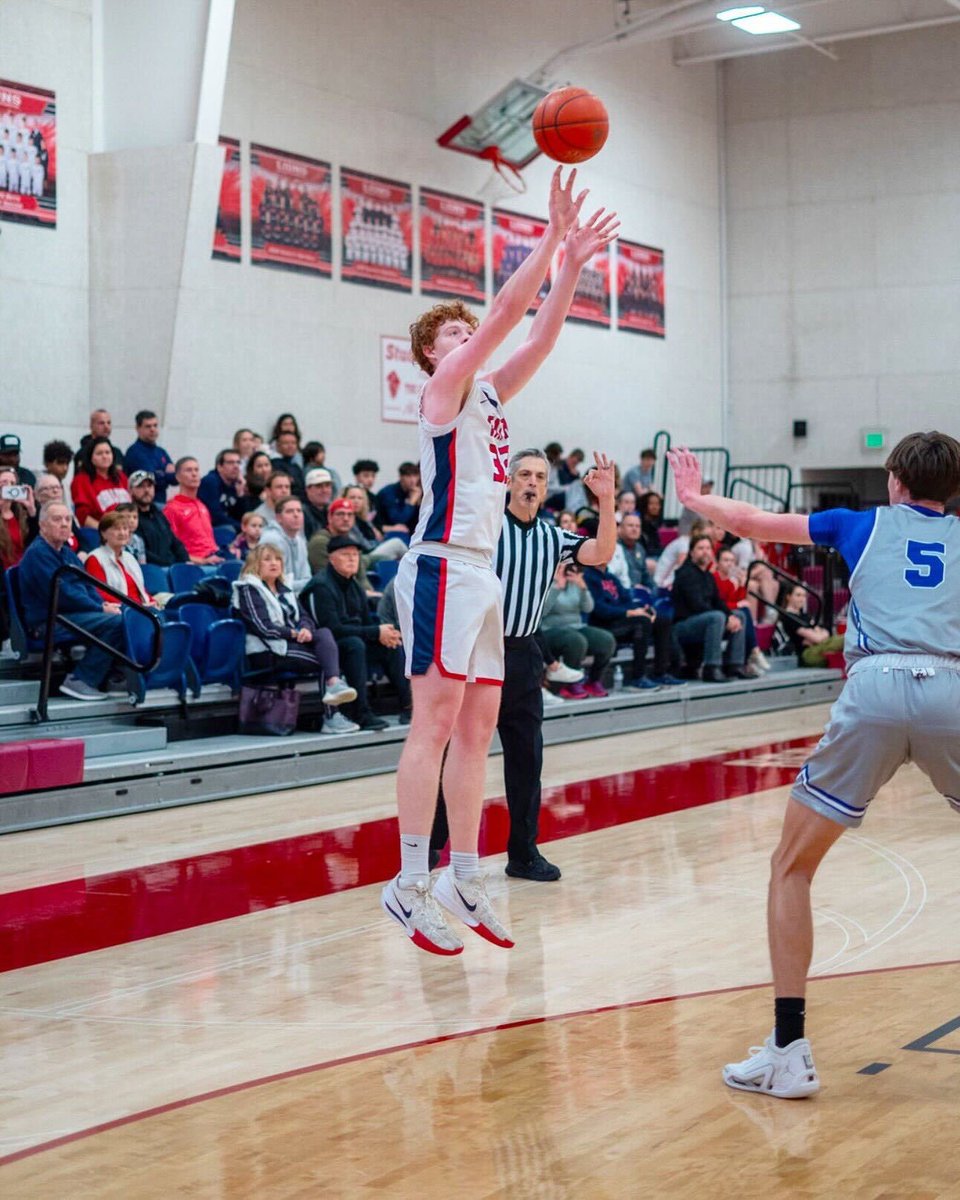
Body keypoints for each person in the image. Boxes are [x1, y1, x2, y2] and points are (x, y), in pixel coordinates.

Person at [669, 433, 960, 1100]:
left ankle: (789, 1051)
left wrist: (692, 497)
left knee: (791, 866)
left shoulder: (857, 524)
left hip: (877, 687)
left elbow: (750, 522)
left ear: (894, 481)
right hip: (951, 687)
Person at [384, 166, 619, 955]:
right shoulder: (444, 391)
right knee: (435, 722)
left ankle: (464, 869)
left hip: (481, 574)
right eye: (448, 333)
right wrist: (550, 234)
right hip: (442, 565)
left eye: (462, 330)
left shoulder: (489, 396)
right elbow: (504, 316)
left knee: (479, 728)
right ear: (430, 354)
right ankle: (409, 880)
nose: (463, 336)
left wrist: (576, 266)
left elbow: (539, 332)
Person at [431, 447, 616, 882]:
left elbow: (601, 551)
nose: (532, 483)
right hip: (477, 651)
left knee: (527, 758)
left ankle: (523, 852)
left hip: (524, 652)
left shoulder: (554, 537)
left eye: (540, 477)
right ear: (510, 482)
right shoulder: (485, 527)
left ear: (547, 488)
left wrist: (606, 502)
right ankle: (433, 845)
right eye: (526, 475)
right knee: (456, 752)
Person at [232, 544, 357, 730]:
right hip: (267, 650)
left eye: (277, 559)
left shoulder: (285, 589)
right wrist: (293, 633)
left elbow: (305, 616)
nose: (273, 563)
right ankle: (332, 716)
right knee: (328, 663)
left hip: (290, 646)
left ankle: (334, 690)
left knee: (323, 635)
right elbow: (263, 627)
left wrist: (306, 629)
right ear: (255, 564)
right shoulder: (249, 589)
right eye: (267, 559)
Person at [18, 501, 128, 701]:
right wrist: (99, 608)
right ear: (42, 525)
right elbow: (62, 594)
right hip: (48, 621)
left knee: (127, 615)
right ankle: (82, 680)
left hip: (69, 615)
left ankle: (115, 676)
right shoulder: (37, 553)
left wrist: (102, 605)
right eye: (57, 519)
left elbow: (88, 585)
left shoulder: (66, 552)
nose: (64, 524)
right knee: (118, 623)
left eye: (68, 519)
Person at [301, 536, 410, 732]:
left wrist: (382, 635)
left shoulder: (355, 586)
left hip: (352, 641)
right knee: (355, 645)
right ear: (331, 559)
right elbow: (331, 629)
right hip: (326, 649)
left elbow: (367, 624)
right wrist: (375, 632)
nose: (352, 559)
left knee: (391, 643)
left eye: (355, 555)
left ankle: (409, 706)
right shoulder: (321, 586)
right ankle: (361, 712)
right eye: (345, 555)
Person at [584, 559, 682, 688]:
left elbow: (627, 600)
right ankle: (638, 677)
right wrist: (629, 612)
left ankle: (660, 673)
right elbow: (599, 609)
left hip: (622, 620)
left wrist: (642, 609)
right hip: (604, 625)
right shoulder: (588, 577)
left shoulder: (611, 577)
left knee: (661, 619)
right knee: (642, 622)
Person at [671, 533, 747, 681]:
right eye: (700, 548)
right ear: (692, 552)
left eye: (707, 548)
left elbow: (718, 601)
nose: (705, 551)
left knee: (739, 615)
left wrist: (730, 616)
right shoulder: (685, 573)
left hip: (705, 621)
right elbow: (697, 605)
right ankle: (711, 668)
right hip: (683, 625)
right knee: (717, 617)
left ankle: (735, 665)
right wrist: (725, 618)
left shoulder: (708, 575)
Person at [85, 511, 155, 606]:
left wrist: (152, 601)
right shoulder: (95, 558)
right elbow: (99, 592)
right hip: (121, 609)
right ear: (103, 534)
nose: (122, 533)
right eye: (116, 529)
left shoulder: (129, 557)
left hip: (140, 608)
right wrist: (136, 606)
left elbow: (140, 588)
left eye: (125, 529)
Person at [163, 457, 224, 564]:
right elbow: (170, 547)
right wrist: (202, 561)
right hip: (196, 564)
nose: (194, 474)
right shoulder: (172, 508)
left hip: (214, 558)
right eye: (189, 470)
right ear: (177, 477)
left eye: (196, 470)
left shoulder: (202, 506)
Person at [307, 497, 374, 591]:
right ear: (329, 517)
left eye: (350, 515)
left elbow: (362, 578)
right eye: (340, 514)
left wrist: (370, 594)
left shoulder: (352, 543)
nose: (346, 519)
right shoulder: (320, 542)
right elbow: (325, 578)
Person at [128, 471, 190, 567]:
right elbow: (141, 552)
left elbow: (175, 542)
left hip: (170, 567)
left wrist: (185, 561)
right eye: (141, 486)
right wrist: (168, 564)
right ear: (131, 491)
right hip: (151, 570)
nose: (146, 490)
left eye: (150, 486)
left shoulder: (159, 515)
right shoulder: (129, 518)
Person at [777, 581, 844, 667]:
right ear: (788, 597)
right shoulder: (789, 617)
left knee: (842, 641)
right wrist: (817, 635)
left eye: (804, 596)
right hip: (807, 654)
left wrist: (817, 636)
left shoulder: (804, 615)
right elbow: (817, 638)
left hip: (820, 646)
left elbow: (825, 633)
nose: (802, 599)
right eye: (798, 595)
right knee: (846, 639)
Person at [71, 437, 131, 528]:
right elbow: (82, 516)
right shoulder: (81, 480)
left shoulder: (121, 477)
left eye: (108, 452)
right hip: (100, 532)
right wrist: (105, 531)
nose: (105, 456)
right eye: (99, 453)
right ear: (91, 458)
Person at [123, 411, 176, 504]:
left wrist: (162, 474)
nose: (152, 429)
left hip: (161, 502)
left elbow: (176, 479)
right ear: (138, 428)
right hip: (144, 504)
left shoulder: (161, 452)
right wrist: (166, 474)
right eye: (148, 426)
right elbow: (150, 480)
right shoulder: (135, 452)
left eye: (155, 425)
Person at [260, 496, 311, 592]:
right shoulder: (271, 540)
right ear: (279, 518)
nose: (296, 515)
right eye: (290, 511)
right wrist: (310, 583)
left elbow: (306, 576)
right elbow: (275, 583)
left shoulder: (300, 541)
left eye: (299, 511)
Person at [199, 449, 246, 531]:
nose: (236, 466)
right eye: (230, 463)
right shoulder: (210, 481)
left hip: (228, 527)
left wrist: (240, 494)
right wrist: (243, 528)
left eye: (238, 462)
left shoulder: (237, 483)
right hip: (209, 529)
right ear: (219, 467)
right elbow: (215, 516)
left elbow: (243, 516)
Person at [0, 465, 33, 569]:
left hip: (22, 570)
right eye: (4, 483)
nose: (9, 486)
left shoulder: (20, 513)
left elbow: (34, 542)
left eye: (13, 483)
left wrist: (31, 509)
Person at [376, 463, 422, 535]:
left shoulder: (415, 492)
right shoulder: (389, 492)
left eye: (415, 476)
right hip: (387, 533)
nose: (412, 480)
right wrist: (412, 502)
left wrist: (418, 503)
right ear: (400, 477)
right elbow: (398, 520)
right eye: (408, 476)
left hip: (408, 533)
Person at [271, 430, 306, 497]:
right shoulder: (275, 464)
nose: (290, 446)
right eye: (286, 443)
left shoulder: (296, 467)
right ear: (278, 446)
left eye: (293, 443)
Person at [240, 451, 275, 516]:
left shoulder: (276, 483)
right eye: (259, 466)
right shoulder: (247, 487)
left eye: (267, 465)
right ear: (252, 469)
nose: (264, 469)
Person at [302, 468, 334, 538]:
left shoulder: (334, 512)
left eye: (327, 485)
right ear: (308, 489)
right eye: (319, 486)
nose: (324, 490)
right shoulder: (301, 513)